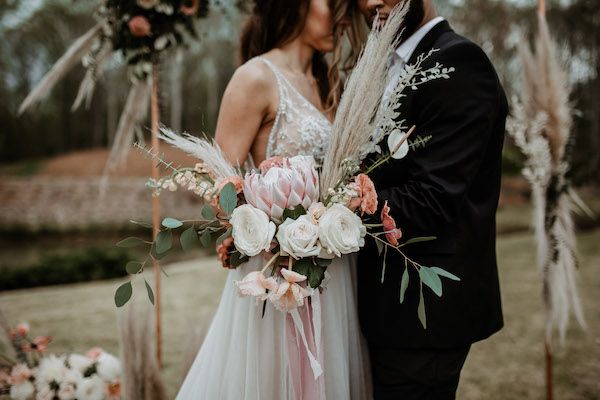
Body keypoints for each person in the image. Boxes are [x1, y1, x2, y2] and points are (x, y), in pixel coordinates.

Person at [176, 1, 371, 399]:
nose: (345, 17)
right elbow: (218, 185)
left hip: (335, 274)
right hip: (275, 275)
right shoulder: (255, 78)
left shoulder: (328, 82)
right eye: (333, 4)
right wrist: (267, 230)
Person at [354, 0, 507, 399]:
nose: (370, 2)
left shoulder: (459, 62)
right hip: (382, 309)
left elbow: (434, 198)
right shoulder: (380, 65)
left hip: (424, 316)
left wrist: (332, 211)